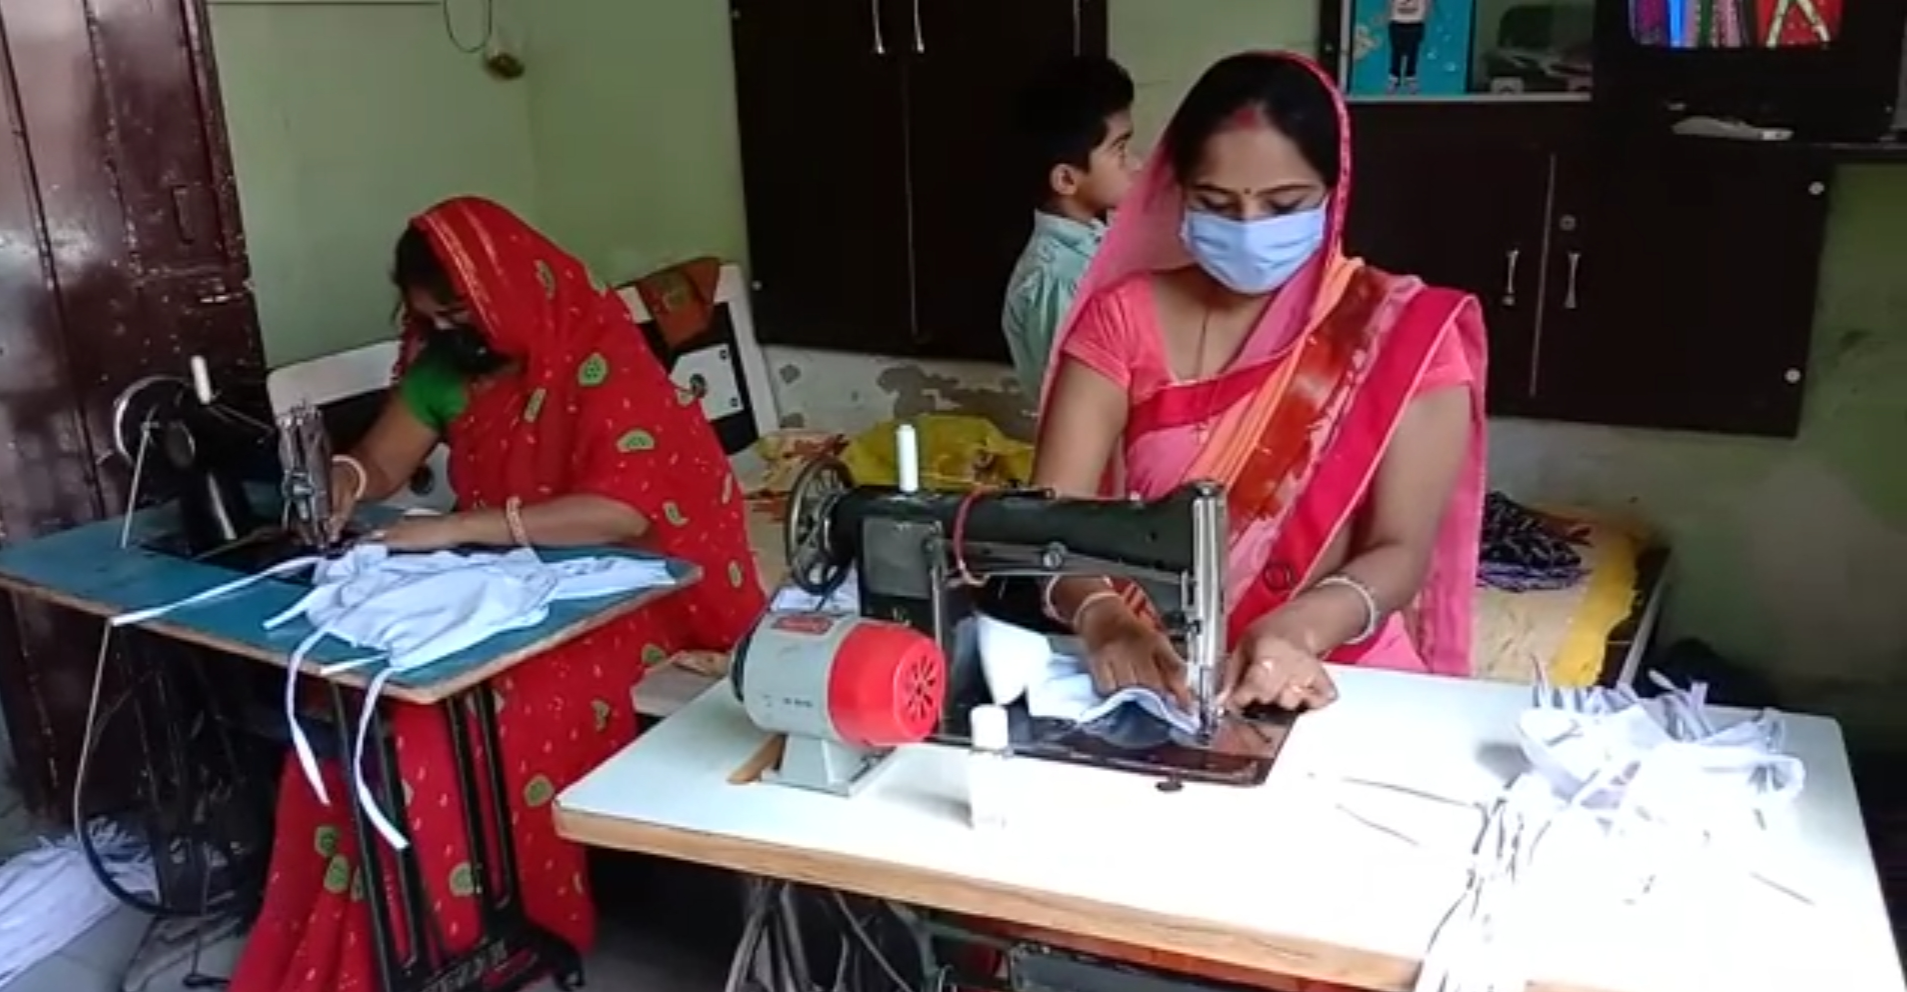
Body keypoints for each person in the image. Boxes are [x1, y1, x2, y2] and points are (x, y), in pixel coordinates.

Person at [230, 197, 767, 992]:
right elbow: (382, 460)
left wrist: (459, 528)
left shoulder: (598, 355)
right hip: (515, 578)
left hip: (639, 592)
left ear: (505, 289)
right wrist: (344, 478)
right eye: (431, 319)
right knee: (361, 714)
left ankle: (482, 941)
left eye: (460, 313)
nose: (451, 333)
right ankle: (370, 949)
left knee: (454, 724)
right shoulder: (450, 366)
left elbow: (624, 511)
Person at [1033, 51, 1486, 727]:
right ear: (1177, 191)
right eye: (1215, 203)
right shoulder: (1120, 320)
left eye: (1283, 205)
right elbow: (1048, 524)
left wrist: (1302, 628)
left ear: (1333, 192)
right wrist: (1101, 616)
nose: (1248, 227)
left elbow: (1400, 550)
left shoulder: (1401, 333)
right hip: (1153, 675)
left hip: (1336, 674)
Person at [1000, 55, 1137, 399]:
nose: (1136, 164)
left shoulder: (1094, 246)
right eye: (1120, 150)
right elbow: (1075, 403)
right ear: (1065, 178)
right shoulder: (1058, 281)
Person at [1387, 0, 1429, 92]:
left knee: (1413, 52)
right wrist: (1390, 17)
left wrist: (1424, 17)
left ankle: (1410, 78)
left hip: (1416, 22)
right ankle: (1394, 78)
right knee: (1396, 51)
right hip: (1397, 21)